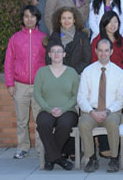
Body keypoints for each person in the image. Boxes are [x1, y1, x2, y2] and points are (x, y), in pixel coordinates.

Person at [4, 5, 46, 159]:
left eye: (33, 16)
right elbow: (8, 62)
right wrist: (10, 84)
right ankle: (23, 147)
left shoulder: (43, 38)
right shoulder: (15, 38)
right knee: (22, 120)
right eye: (26, 16)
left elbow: (48, 62)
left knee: (40, 120)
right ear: (23, 18)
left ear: (37, 18)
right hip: (20, 85)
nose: (30, 19)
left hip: (38, 86)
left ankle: (41, 149)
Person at [77, 38, 123, 173]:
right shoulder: (87, 71)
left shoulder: (119, 73)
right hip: (91, 111)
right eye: (100, 50)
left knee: (112, 124)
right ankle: (92, 159)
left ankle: (114, 159)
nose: (103, 54)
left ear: (111, 52)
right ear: (96, 51)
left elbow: (121, 99)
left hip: (112, 112)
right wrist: (92, 112)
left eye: (106, 50)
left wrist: (108, 111)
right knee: (83, 124)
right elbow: (81, 97)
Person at [34, 42, 79, 171]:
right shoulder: (42, 72)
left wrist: (63, 109)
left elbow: (76, 96)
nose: (56, 54)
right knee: (42, 123)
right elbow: (37, 94)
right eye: (53, 51)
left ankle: (50, 158)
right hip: (47, 109)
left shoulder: (72, 72)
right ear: (49, 55)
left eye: (59, 51)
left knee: (65, 125)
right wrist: (48, 108)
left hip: (68, 110)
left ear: (64, 54)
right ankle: (58, 158)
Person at [47, 7, 91, 75]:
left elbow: (87, 60)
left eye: (69, 18)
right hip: (58, 76)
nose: (66, 21)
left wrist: (72, 72)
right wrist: (58, 71)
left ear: (74, 20)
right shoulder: (54, 36)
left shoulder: (83, 37)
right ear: (60, 20)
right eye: (64, 18)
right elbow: (48, 58)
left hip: (77, 76)